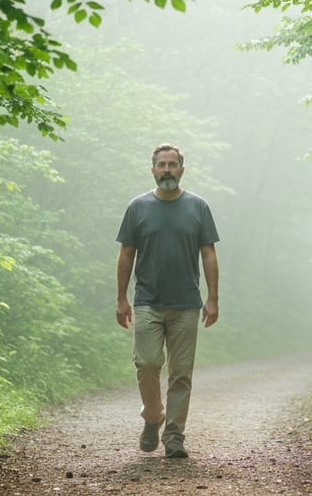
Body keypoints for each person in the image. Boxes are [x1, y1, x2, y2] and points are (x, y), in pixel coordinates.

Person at [115, 143, 220, 459]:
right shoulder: (138, 207)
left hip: (187, 303)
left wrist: (212, 298)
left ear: (182, 169)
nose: (167, 170)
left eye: (172, 165)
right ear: (153, 170)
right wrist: (121, 299)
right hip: (147, 300)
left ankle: (174, 437)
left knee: (181, 373)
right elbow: (125, 255)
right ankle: (153, 415)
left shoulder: (198, 207)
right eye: (161, 165)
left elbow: (208, 253)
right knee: (146, 363)